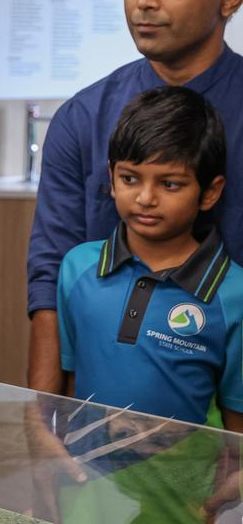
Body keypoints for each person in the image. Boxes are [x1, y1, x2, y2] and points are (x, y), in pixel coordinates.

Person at [26, 0, 243, 395]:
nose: (144, 2)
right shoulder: (82, 119)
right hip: (100, 407)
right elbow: (51, 273)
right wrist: (41, 417)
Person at [53, 86, 242, 521]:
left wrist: (226, 496)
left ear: (210, 192)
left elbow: (238, 423)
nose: (145, 198)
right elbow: (61, 390)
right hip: (86, 491)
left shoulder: (233, 294)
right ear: (112, 176)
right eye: (130, 178)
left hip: (181, 504)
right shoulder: (78, 269)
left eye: (170, 183)